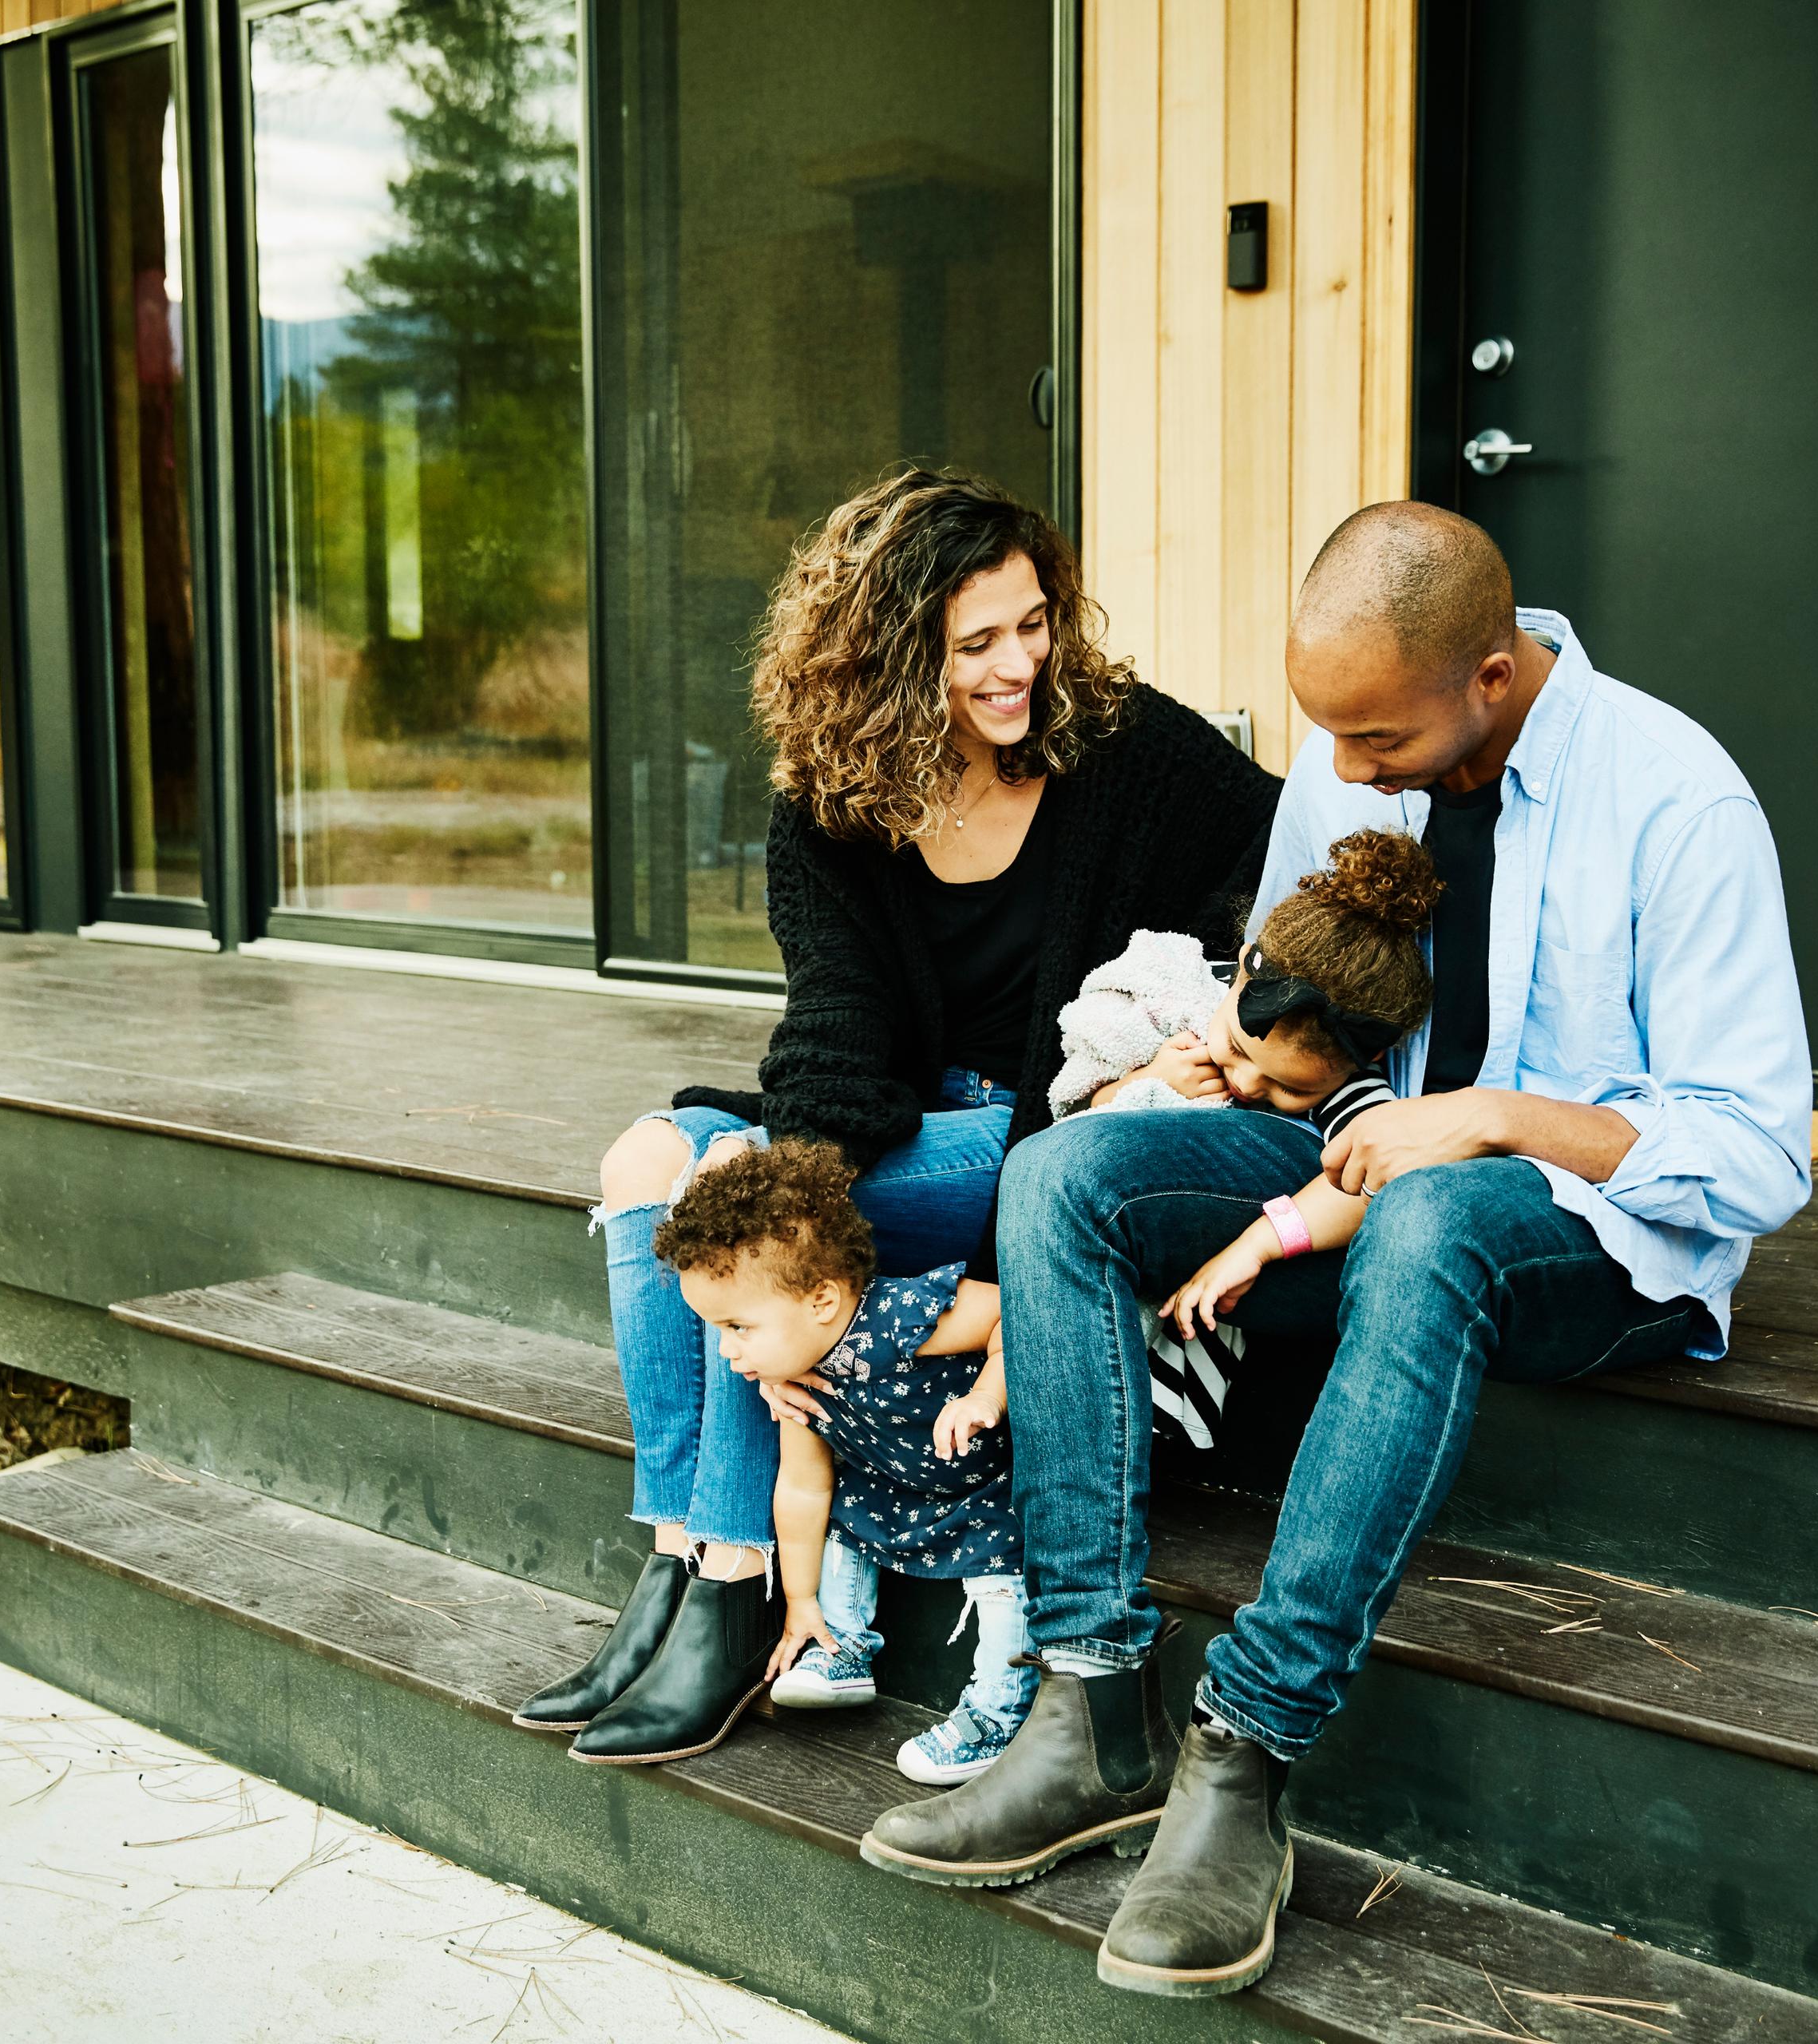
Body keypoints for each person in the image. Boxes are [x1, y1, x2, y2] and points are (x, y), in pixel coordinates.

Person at [859, 501, 1814, 2001]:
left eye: (1373, 742)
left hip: (1591, 1234)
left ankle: (1243, 1750)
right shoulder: (1352, 745)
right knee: (1064, 1171)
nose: (1348, 774)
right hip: (1349, 1154)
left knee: (1435, 1217)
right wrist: (1220, 1062)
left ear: (1490, 679)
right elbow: (1304, 1010)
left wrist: (1491, 1119)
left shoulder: (1679, 802)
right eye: (1332, 737)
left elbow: (1759, 1154)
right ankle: (1094, 1703)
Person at [515, 468, 1281, 1767]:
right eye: (973, 644)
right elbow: (837, 1033)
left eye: (1033, 623)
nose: (1019, 665)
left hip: (1052, 1137)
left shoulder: (1125, 748)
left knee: (748, 1208)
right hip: (907, 1115)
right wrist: (782, 1173)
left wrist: (1223, 1034)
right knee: (653, 1162)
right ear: (881, 657)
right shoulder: (831, 802)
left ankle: (734, 1587)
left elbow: (1284, 867)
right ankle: (679, 1552)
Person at [645, 1139, 1028, 1781]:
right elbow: (802, 1487)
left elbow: (1019, 1316)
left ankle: (998, 1708)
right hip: (891, 1486)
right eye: (717, 1330)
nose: (724, 1351)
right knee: (846, 1520)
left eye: (738, 1327)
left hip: (984, 1482)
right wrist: (800, 1600)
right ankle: (840, 1645)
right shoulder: (799, 1374)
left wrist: (986, 1395)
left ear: (821, 1301)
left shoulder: (901, 1317)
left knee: (1003, 1580)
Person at [1046, 829, 1442, 1448]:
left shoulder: (1354, 1091)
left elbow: (1371, 1181)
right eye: (1236, 1046)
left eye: (1290, 1089)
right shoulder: (1181, 998)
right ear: (1241, 970)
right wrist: (1145, 1079)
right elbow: (1076, 1109)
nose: (1248, 1083)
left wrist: (1261, 1242)